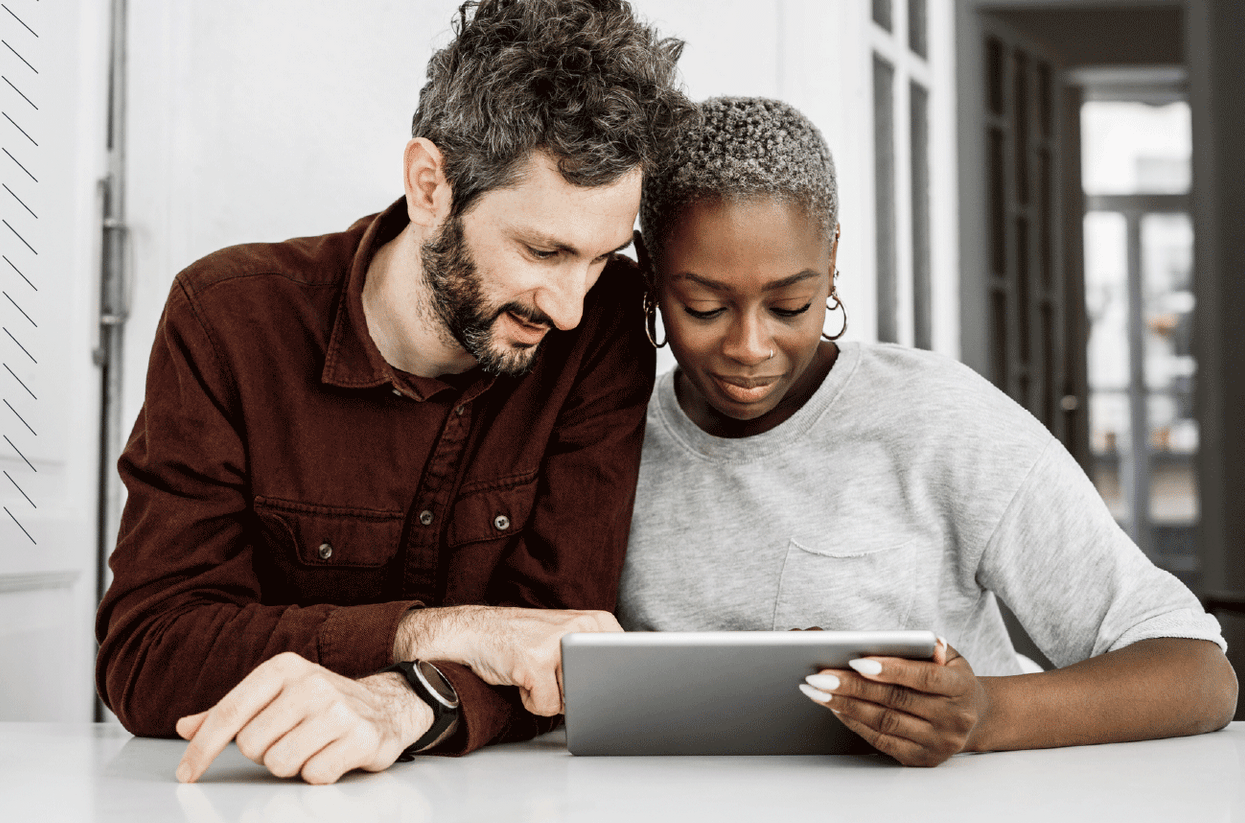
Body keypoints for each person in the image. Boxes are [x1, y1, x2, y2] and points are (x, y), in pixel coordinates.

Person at [95, 0, 694, 785]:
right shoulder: (227, 321)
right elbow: (149, 654)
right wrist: (438, 634)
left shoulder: (601, 327)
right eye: (542, 249)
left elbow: (556, 652)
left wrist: (408, 702)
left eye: (598, 256)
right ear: (429, 185)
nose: (568, 304)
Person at [620, 96, 1237, 767]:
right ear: (648, 273)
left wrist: (986, 713)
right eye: (704, 306)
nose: (749, 345)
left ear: (830, 262)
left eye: (789, 304)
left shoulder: (938, 420)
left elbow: (1198, 675)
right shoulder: (606, 446)